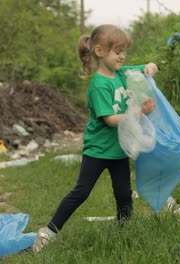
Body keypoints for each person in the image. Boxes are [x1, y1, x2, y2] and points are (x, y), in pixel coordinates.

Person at [32, 24, 159, 253]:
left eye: (124, 51)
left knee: (123, 194)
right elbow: (110, 119)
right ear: (100, 51)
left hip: (118, 149)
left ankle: (125, 233)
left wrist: (149, 67)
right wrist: (140, 112)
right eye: (117, 51)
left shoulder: (120, 73)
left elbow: (138, 69)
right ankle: (48, 232)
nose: (122, 56)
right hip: (98, 150)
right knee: (81, 192)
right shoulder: (99, 85)